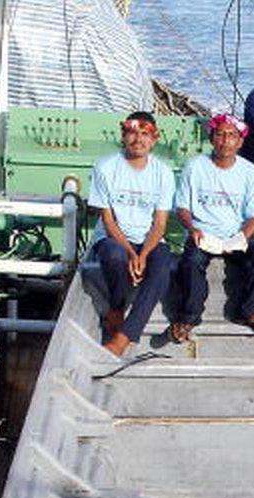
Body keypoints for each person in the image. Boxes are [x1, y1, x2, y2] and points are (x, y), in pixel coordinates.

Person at [168, 113, 254, 342]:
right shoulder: (195, 166)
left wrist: (241, 238)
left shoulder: (250, 171)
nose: (225, 140)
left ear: (240, 141)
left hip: (235, 234)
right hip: (203, 233)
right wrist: (192, 229)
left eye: (231, 135)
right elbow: (182, 208)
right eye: (220, 134)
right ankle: (188, 317)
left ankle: (248, 311)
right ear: (211, 138)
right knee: (191, 262)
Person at [88, 112, 175, 356]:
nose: (138, 139)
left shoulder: (163, 173)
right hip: (114, 236)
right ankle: (117, 305)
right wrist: (130, 252)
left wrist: (144, 254)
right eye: (133, 133)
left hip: (148, 238)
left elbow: (159, 224)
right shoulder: (105, 167)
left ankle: (125, 336)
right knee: (115, 258)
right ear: (124, 136)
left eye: (145, 134)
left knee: (162, 268)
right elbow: (108, 219)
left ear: (154, 139)